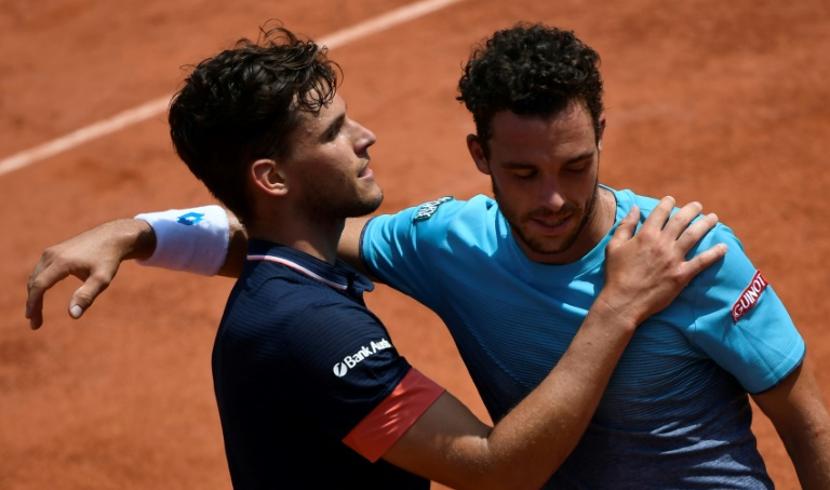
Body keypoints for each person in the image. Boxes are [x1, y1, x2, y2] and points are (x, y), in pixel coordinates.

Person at [25, 23, 830, 488]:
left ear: (601, 140)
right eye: (523, 173)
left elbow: (807, 424)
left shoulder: (688, 252)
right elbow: (283, 238)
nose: (554, 198)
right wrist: (617, 305)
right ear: (479, 156)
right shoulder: (443, 247)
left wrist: (138, 233)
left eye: (576, 166)